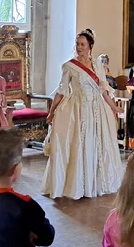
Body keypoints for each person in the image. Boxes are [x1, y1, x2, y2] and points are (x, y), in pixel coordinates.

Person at [42, 29, 124, 199]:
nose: (79, 47)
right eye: (77, 44)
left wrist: (114, 107)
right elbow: (61, 91)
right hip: (78, 110)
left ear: (90, 46)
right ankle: (78, 186)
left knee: (97, 144)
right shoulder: (69, 66)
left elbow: (104, 91)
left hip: (97, 110)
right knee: (79, 145)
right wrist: (51, 112)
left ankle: (96, 183)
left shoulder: (98, 66)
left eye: (82, 44)